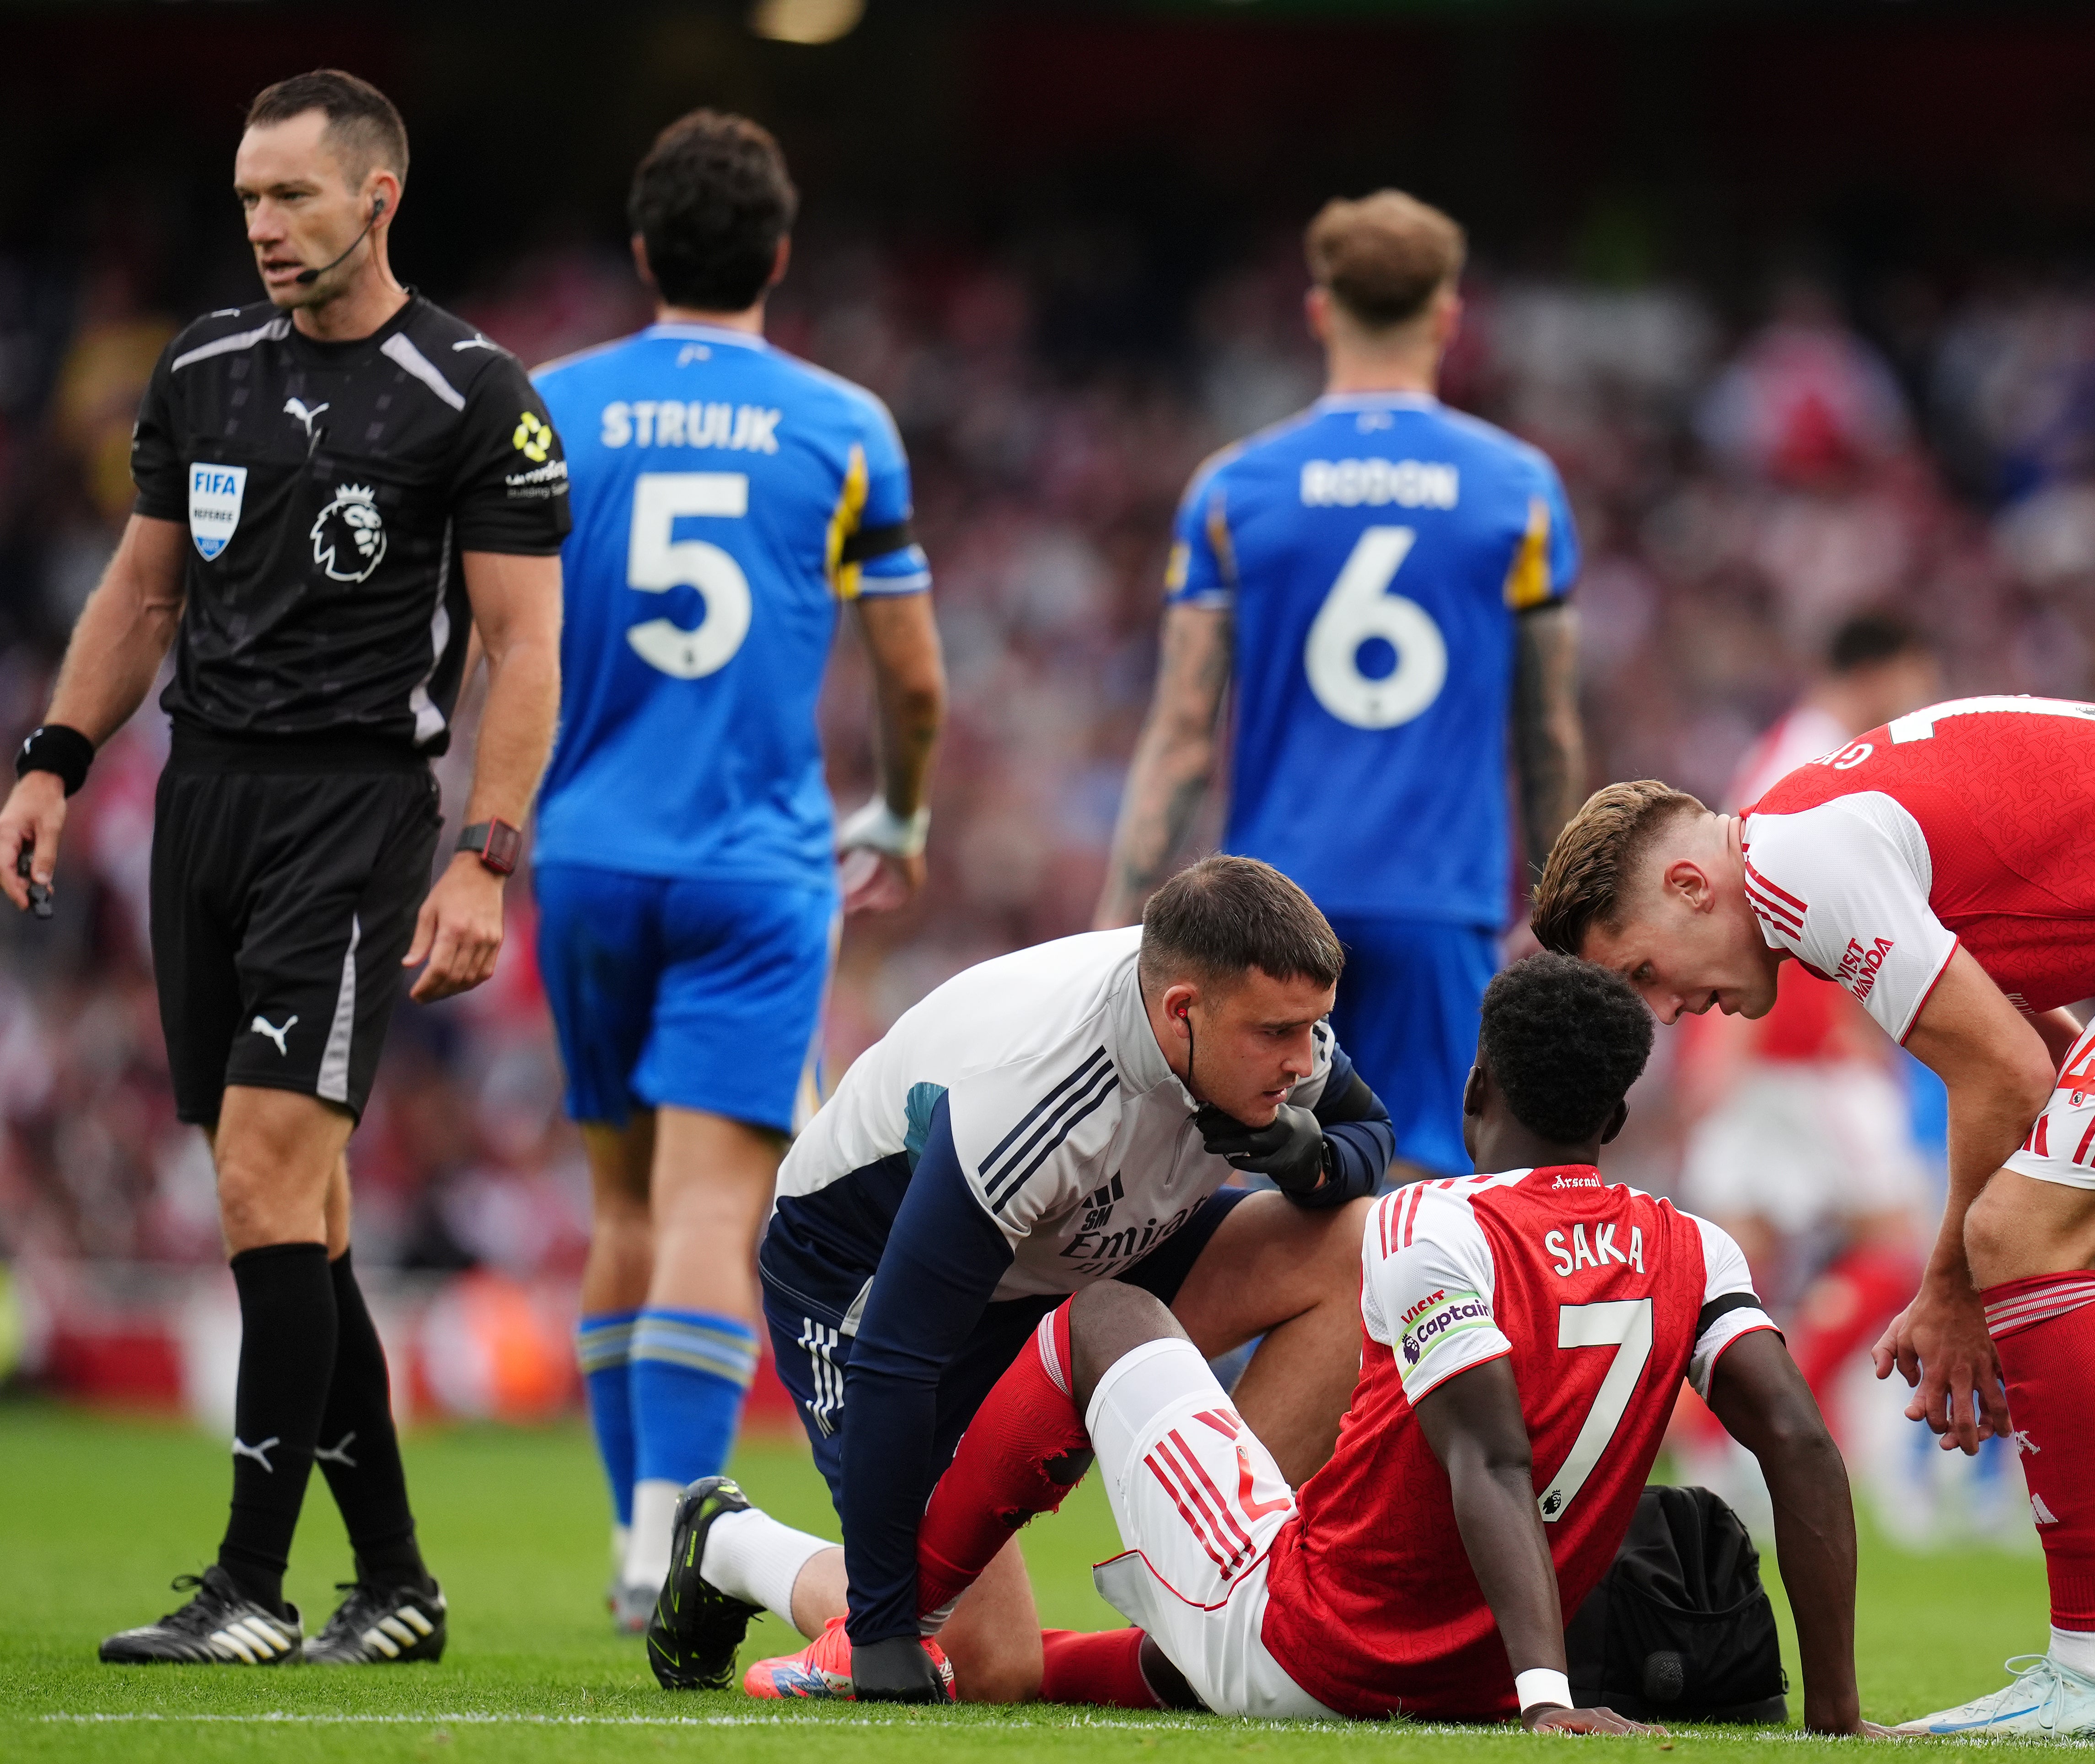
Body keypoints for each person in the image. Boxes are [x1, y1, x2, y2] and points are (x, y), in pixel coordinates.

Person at [1531, 697, 2095, 1737]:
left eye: (1645, 972)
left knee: (2015, 1234)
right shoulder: (1808, 838)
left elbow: (2006, 1077)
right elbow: (2036, 1044)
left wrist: (1957, 1288)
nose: (1663, 1010)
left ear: (1690, 886)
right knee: (2082, 1251)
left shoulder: (1798, 867)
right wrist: (2003, 1284)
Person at [0, 70, 568, 1665]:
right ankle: (396, 1582)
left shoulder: (475, 394)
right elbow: (143, 595)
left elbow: (525, 647)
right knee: (293, 1212)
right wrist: (54, 757)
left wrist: (485, 857)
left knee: (262, 1171)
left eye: (293, 195)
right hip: (205, 803)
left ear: (377, 199)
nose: (262, 223)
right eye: (250, 196)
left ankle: (249, 1585)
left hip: (355, 811)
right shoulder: (201, 368)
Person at [709, 954, 1872, 1731]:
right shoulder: (1695, 1246)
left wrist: (1545, 1696)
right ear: (1617, 1117)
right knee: (1013, 1659)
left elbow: (1489, 1456)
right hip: (1460, 1670)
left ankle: (783, 1569)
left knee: (1104, 1314)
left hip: (1320, 1644)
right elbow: (1802, 1443)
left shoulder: (1432, 1223)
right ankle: (1007, 1589)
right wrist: (1836, 1716)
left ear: (1477, 1090)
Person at [527, 110, 945, 1634]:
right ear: (778, 254)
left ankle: (632, 1540)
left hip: (585, 849)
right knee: (714, 1205)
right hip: (755, 867)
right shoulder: (843, 424)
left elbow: (498, 633)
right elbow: (912, 675)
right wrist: (902, 814)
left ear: (643, 251)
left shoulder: (550, 408)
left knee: (620, 1207)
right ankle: (669, 1547)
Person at [639, 855, 1392, 1702]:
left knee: (1357, 1242)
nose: (1302, 1059)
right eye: (1277, 1034)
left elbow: (1367, 1129)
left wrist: (1316, 1163)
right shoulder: (1039, 1087)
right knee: (989, 1669)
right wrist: (884, 1633)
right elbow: (898, 1356)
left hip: (1070, 1254)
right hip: (868, 1286)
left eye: (1312, 1028)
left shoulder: (1246, 1008)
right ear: (1181, 1011)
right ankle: (729, 1545)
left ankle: (1234, 1585)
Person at [1096, 190, 1587, 1183]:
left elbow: (1184, 732)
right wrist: (1571, 920)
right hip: (1437, 895)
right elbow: (1549, 733)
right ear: (1446, 317)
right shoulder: (1519, 489)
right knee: (1423, 1182)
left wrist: (1114, 926)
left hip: (1271, 906)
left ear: (1320, 312)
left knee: (1257, 1177)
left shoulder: (1234, 489)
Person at [1680, 614, 1937, 1403]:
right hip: (1799, 1048)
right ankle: (1790, 1408)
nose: (1919, 701)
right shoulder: (1818, 763)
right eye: (1918, 681)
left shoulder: (1788, 751)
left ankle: (1699, 1432)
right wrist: (1845, 1024)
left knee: (1736, 1259)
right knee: (1898, 1248)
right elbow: (1761, 906)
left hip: (1765, 1040)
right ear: (1884, 668)